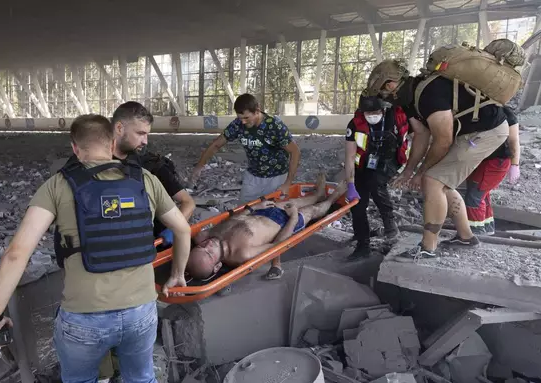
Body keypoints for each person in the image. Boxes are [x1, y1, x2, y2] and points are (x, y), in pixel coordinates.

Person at [0, 111, 191, 383]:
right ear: (111, 141)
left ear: (75, 148)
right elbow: (183, 229)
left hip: (84, 319)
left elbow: (16, 254)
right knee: (142, 381)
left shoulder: (58, 185)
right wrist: (177, 274)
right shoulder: (146, 180)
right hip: (140, 311)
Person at [366, 59, 509, 261]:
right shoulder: (410, 99)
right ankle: (466, 237)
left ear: (390, 85)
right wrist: (409, 171)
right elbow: (421, 135)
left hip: (485, 132)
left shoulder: (428, 94)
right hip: (470, 133)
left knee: (432, 181)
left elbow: (443, 140)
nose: (384, 98)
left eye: (381, 92)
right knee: (442, 182)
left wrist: (422, 172)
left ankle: (427, 247)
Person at [98, 144, 196, 383]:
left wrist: (173, 228)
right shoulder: (98, 169)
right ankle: (111, 374)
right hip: (119, 251)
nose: (144, 138)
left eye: (145, 133)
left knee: (131, 311)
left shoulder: (153, 171)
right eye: (140, 133)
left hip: (146, 248)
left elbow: (186, 203)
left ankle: (125, 369)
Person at [190, 93, 301, 279]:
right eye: (240, 118)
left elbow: (295, 152)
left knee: (274, 218)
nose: (242, 122)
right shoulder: (238, 125)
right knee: (242, 213)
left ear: (257, 111)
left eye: (246, 117)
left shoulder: (274, 126)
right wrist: (200, 166)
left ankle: (276, 264)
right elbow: (217, 144)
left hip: (276, 177)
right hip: (252, 176)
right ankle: (230, 259)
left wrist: (287, 183)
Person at [186, 174, 346, 280]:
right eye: (209, 254)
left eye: (201, 247)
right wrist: (294, 217)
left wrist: (253, 208)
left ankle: (318, 195)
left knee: (307, 199)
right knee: (313, 211)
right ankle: (333, 198)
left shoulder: (207, 237)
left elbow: (232, 221)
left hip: (264, 211)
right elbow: (276, 246)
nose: (207, 245)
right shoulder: (242, 253)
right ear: (218, 265)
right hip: (283, 223)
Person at [344, 94, 409, 260]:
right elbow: (350, 156)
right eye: (368, 112)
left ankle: (390, 225)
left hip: (388, 162)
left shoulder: (395, 119)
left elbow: (417, 135)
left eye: (376, 111)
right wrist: (350, 185)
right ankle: (362, 244)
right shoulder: (355, 125)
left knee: (375, 182)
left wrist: (410, 171)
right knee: (357, 204)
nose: (372, 115)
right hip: (363, 165)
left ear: (383, 109)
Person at [464, 106, 521, 235]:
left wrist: (515, 164)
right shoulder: (476, 109)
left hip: (495, 162)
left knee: (474, 197)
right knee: (483, 195)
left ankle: (475, 231)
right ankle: (487, 228)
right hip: (483, 159)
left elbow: (513, 141)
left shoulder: (505, 113)